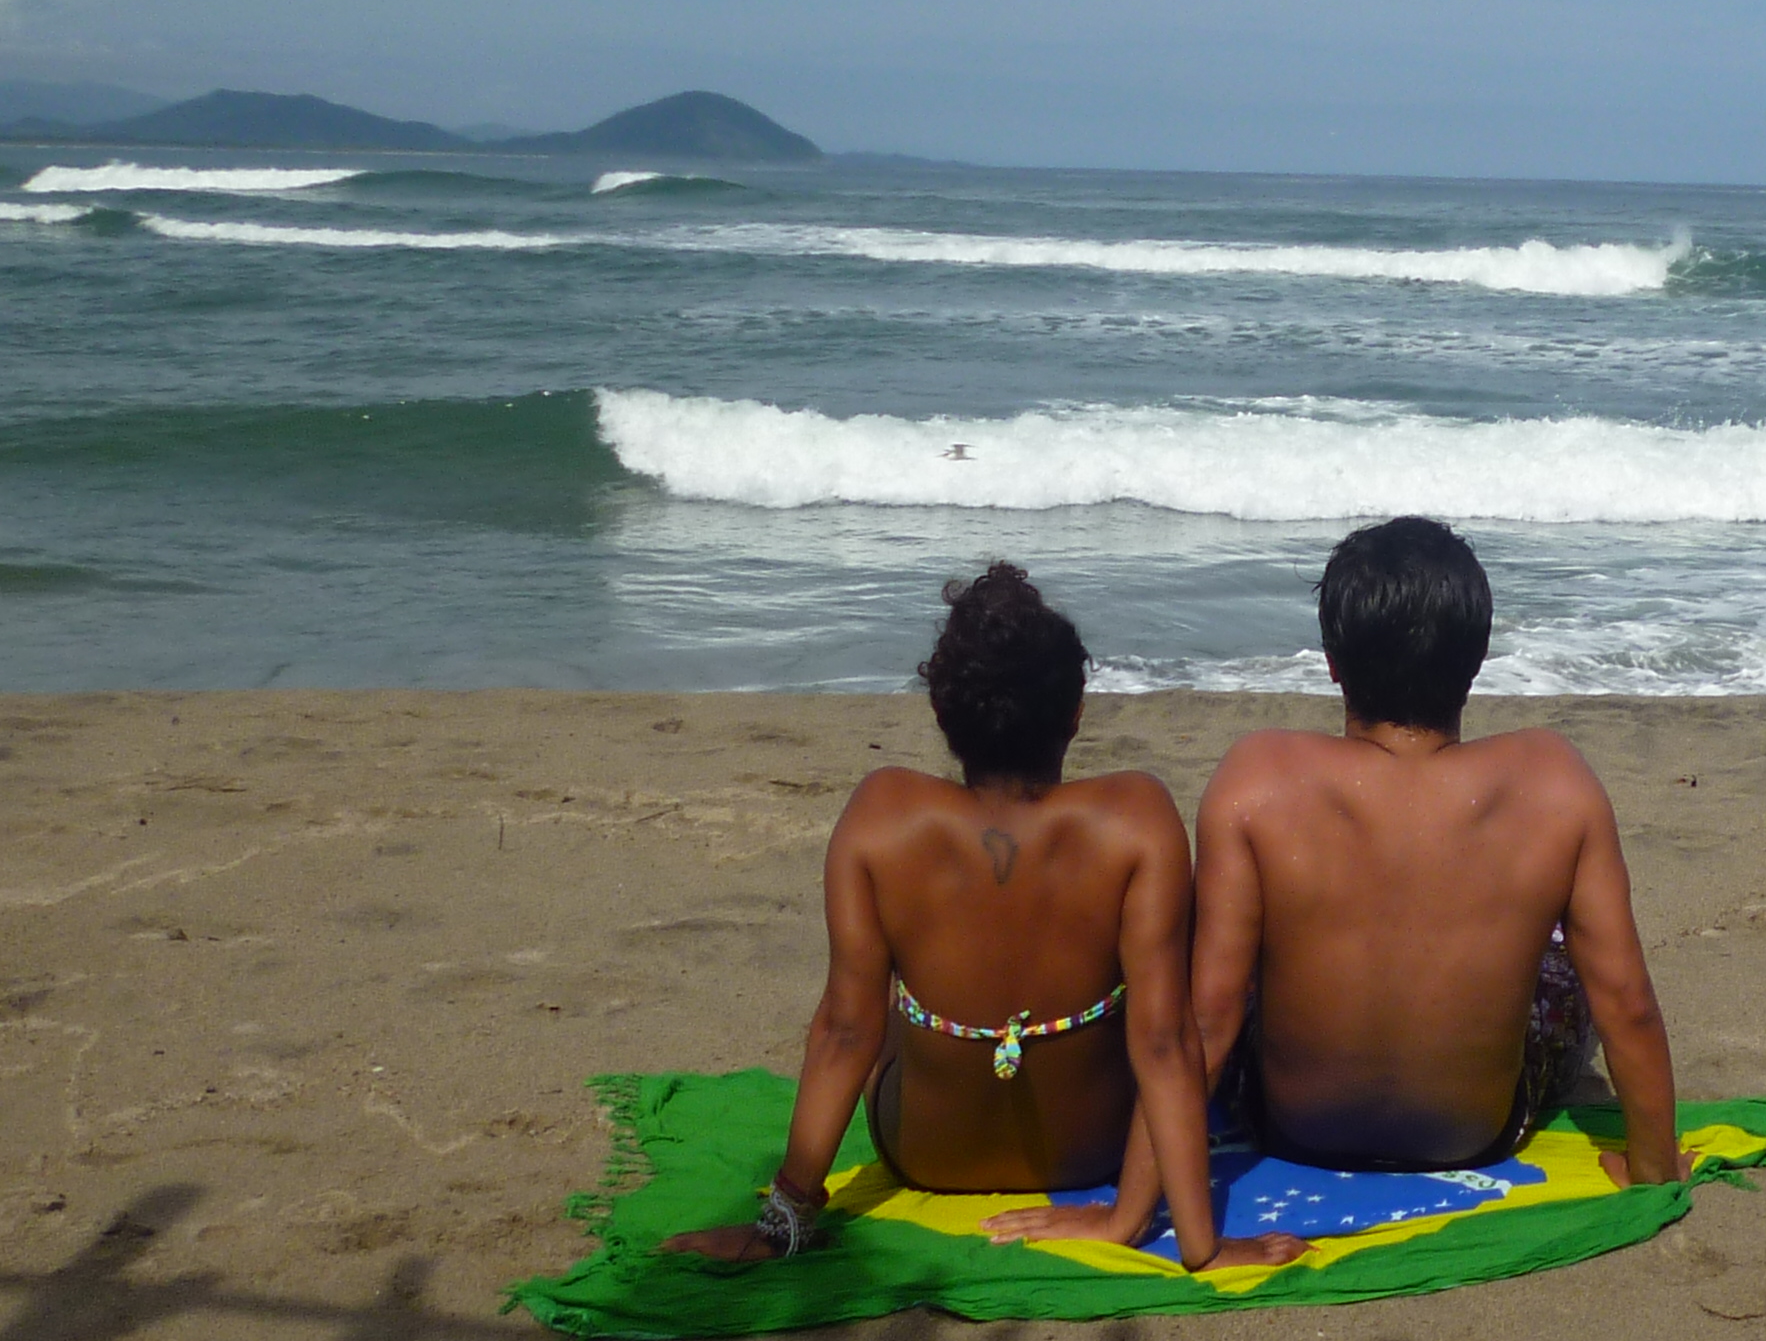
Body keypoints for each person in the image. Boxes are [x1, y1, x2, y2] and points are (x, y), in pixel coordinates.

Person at [989, 517, 1683, 1247]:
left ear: (1331, 662)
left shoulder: (1258, 779)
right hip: (1473, 1136)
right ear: (1478, 659)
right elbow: (1626, 1003)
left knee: (1229, 946)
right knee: (1561, 968)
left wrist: (1126, 1216)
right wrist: (1652, 1167)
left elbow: (1209, 1018)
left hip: (1293, 1128)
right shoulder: (1555, 782)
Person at [663, 564, 1293, 1275]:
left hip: (928, 1154)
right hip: (1090, 1151)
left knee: (883, 1008)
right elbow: (1165, 1040)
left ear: (941, 712)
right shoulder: (1136, 819)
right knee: (1164, 994)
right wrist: (1195, 1242)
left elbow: (845, 1032)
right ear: (1076, 710)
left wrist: (782, 1221)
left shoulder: (882, 816)